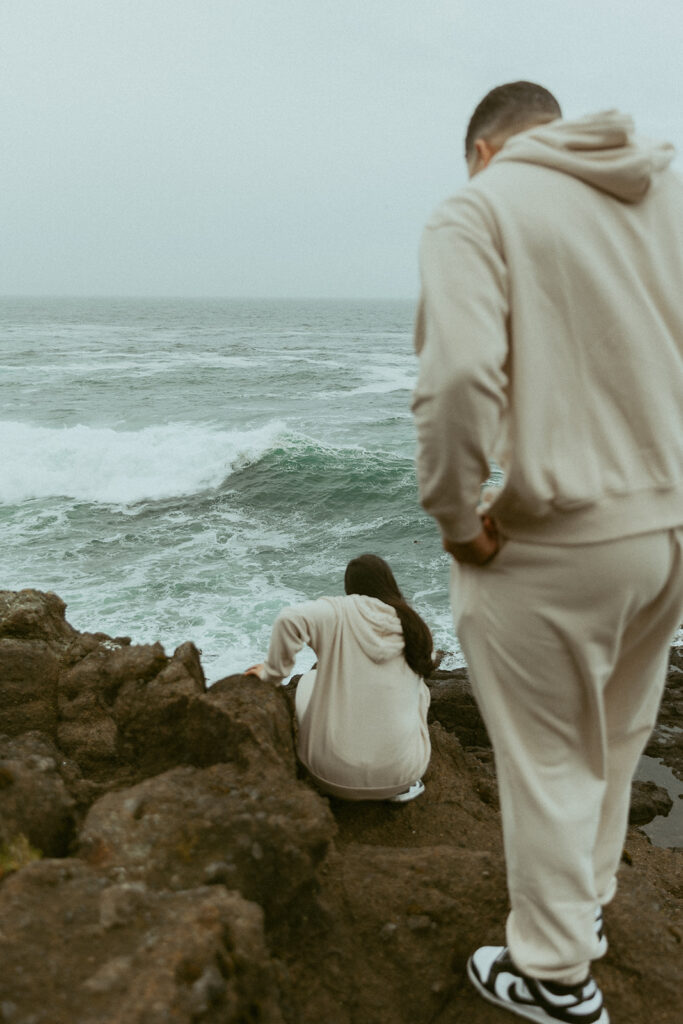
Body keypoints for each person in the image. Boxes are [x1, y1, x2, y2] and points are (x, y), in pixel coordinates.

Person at [412, 80, 683, 1024]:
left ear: (483, 149)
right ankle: (585, 915)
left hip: (563, 536)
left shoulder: (478, 207)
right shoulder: (660, 195)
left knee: (551, 758)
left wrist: (457, 516)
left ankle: (554, 978)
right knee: (613, 740)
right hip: (664, 535)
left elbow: (455, 379)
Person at [245, 554, 433, 801]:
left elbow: (287, 619)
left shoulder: (338, 612)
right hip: (401, 777)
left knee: (310, 680)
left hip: (329, 777)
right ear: (389, 583)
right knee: (420, 691)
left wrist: (272, 673)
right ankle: (398, 781)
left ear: (349, 588)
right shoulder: (411, 624)